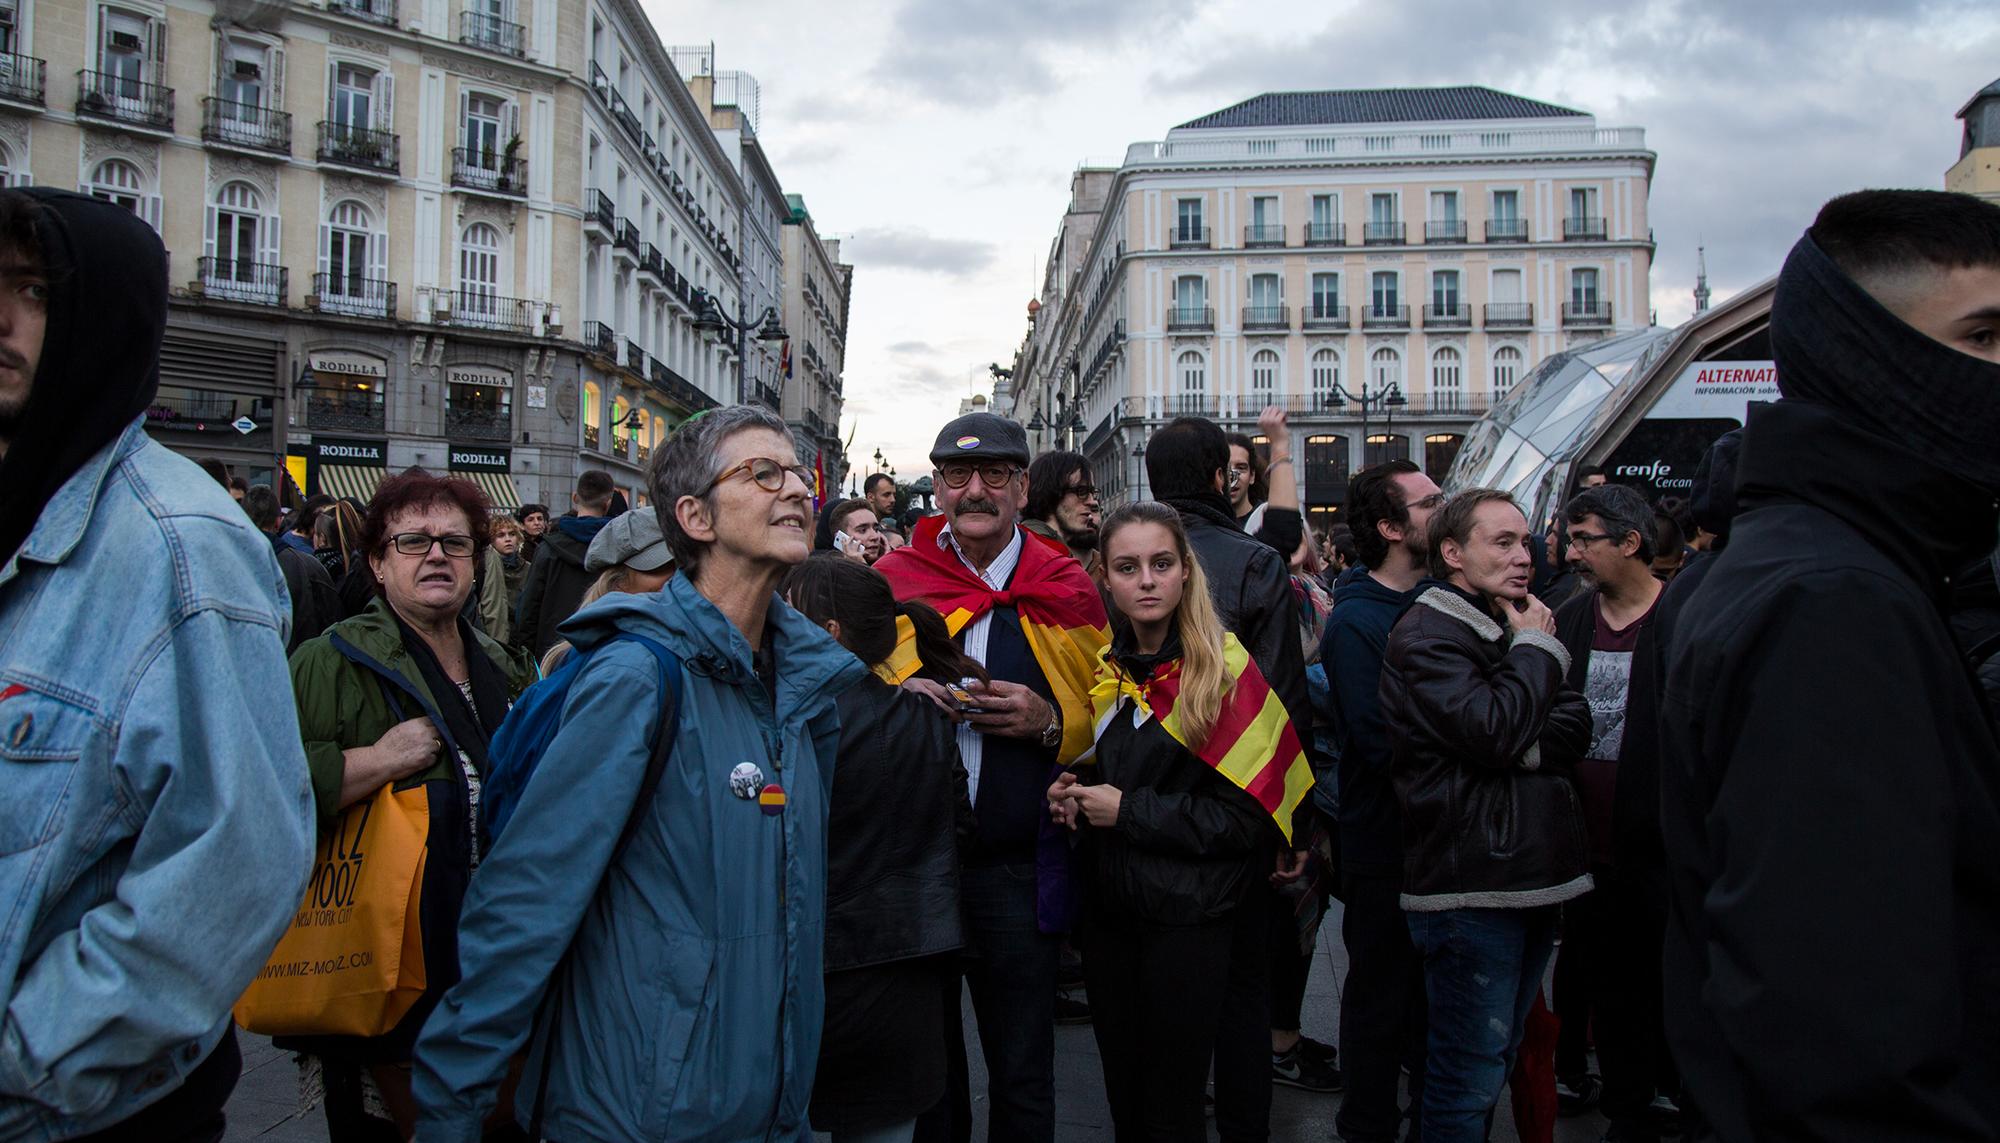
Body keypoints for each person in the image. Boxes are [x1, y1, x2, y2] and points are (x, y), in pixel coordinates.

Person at [416, 405, 866, 1141]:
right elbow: (526, 902)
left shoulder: (806, 694)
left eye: (796, 473)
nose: (794, 489)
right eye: (763, 472)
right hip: (633, 1114)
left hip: (770, 1114)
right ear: (694, 515)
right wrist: (450, 1112)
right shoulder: (635, 678)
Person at [1659, 189, 2000, 1140]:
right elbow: (1843, 1037)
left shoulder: (1819, 566)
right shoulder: (1833, 601)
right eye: (1981, 338)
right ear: (1873, 359)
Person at [0, 188, 315, 1139]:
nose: (1, 316)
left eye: (33, 290)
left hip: (84, 1116)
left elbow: (233, 870)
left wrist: (24, 1054)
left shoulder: (183, 549)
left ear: (102, 317)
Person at [873, 411, 1109, 1143]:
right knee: (927, 1080)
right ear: (937, 485)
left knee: (1024, 1072)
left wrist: (1047, 722)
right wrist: (891, 698)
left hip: (1016, 866)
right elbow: (841, 699)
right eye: (956, 475)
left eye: (995, 475)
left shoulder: (1067, 585)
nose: (975, 490)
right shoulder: (891, 583)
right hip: (916, 863)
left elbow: (1110, 718)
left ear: (1022, 485)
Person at [1047, 501, 1314, 1142]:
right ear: (1103, 577)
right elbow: (1124, 771)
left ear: (1185, 573)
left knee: (1172, 1102)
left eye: (1161, 564)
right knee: (1127, 1095)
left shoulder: (1224, 675)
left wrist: (1127, 811)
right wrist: (1076, 790)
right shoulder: (1108, 671)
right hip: (1114, 914)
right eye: (1128, 566)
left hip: (1192, 920)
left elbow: (1248, 820)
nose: (1146, 580)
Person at [284, 472, 536, 1138]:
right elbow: (266, 790)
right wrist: (381, 760)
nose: (437, 555)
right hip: (380, 975)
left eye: (456, 542)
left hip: (492, 972)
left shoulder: (506, 665)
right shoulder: (327, 661)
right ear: (376, 561)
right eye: (413, 541)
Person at [1380, 488, 1593, 1143]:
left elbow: (1574, 718)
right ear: (1452, 552)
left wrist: (1519, 723)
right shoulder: (1429, 633)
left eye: (1524, 539)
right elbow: (1496, 729)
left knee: (1490, 1064)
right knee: (1464, 1080)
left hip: (1520, 875)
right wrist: (1532, 660)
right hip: (1471, 885)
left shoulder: (1510, 620)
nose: (1522, 554)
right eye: (1500, 541)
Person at [1144, 415, 1313, 1138]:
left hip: (1147, 801)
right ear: (1223, 475)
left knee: (1161, 1000)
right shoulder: (1253, 561)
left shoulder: (1127, 559)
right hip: (1238, 801)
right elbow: (1282, 699)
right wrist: (1294, 821)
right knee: (1244, 992)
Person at [783, 554, 974, 1143]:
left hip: (818, 980)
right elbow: (957, 826)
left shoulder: (791, 725)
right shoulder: (921, 714)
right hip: (906, 978)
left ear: (827, 631)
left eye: (787, 613)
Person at [1321, 459, 1444, 1143]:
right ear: (1392, 527)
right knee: (1379, 995)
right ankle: (1365, 1123)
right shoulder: (1358, 621)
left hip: (1443, 844)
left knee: (1432, 1006)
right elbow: (1378, 739)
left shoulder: (1450, 600)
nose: (1444, 509)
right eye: (1430, 503)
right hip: (1385, 845)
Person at [1550, 482, 1675, 1142]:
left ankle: (1666, 1092)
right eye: (1570, 538)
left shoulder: (1682, 617)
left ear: (1630, 543)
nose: (1571, 552)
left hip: (1659, 846)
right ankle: (1628, 1106)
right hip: (1583, 843)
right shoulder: (1569, 618)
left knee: (1662, 975)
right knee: (1603, 980)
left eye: (1584, 540)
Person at [536, 507, 678, 675]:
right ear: (617, 583)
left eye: (683, 565)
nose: (676, 578)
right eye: (661, 567)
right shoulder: (619, 664)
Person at [513, 470, 616, 657]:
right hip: (604, 652)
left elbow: (529, 607)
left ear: (575, 497)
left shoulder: (548, 548)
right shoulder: (618, 548)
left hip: (552, 653)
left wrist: (528, 656)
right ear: (608, 503)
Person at [242, 482, 341, 652]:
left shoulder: (220, 561)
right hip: (292, 666)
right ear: (278, 521)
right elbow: (331, 626)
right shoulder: (307, 567)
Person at [1225, 407, 1304, 558]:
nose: (1232, 476)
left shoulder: (1265, 517)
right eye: (1226, 469)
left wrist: (1280, 446)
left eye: (1241, 468)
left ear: (1252, 476)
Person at [1023, 449, 1103, 572]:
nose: (1092, 502)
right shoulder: (1019, 556)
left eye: (1093, 493)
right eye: (1081, 492)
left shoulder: (1106, 568)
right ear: (1051, 495)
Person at [824, 496, 888, 563]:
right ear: (841, 538)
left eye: (876, 529)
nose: (875, 537)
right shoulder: (827, 571)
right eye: (863, 530)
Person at [488, 514, 531, 607]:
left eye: (512, 534)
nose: (508, 539)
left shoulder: (528, 568)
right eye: (501, 535)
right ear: (491, 540)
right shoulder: (486, 569)